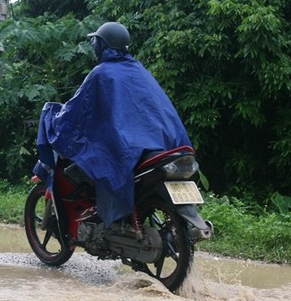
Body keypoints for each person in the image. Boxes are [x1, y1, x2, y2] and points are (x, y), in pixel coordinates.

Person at [34, 21, 192, 228]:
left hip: (130, 145)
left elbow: (77, 111)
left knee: (99, 160)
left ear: (101, 45)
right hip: (164, 143)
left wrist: (53, 117)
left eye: (95, 43)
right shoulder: (139, 70)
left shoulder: (101, 73)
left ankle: (111, 221)